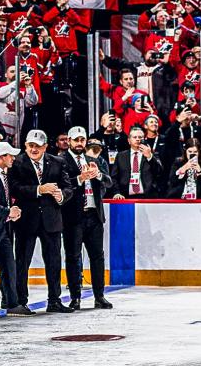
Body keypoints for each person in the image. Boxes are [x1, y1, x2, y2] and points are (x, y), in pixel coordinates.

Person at [9, 129, 75, 313]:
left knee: (54, 261)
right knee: (22, 262)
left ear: (45, 146)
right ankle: (21, 301)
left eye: (37, 146)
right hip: (25, 220)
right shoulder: (17, 162)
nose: (33, 149)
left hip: (51, 219)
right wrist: (39, 189)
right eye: (30, 145)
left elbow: (68, 187)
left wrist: (61, 195)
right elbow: (14, 188)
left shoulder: (58, 162)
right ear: (25, 146)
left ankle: (54, 301)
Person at [60, 126, 113, 310]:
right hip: (73, 217)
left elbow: (109, 182)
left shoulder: (93, 160)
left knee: (97, 257)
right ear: (69, 141)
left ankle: (99, 296)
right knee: (73, 257)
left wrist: (98, 174)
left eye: (82, 140)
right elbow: (62, 186)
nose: (80, 143)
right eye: (76, 140)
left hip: (94, 215)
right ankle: (75, 297)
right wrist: (80, 178)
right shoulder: (61, 161)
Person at [0, 141, 30, 316]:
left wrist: (10, 212)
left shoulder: (5, 175)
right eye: (10, 155)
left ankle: (11, 302)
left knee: (9, 266)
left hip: (4, 229)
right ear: (1, 158)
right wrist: (8, 211)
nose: (13, 158)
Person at [112, 126, 164, 199]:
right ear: (129, 140)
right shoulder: (121, 156)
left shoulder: (151, 153)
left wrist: (149, 156)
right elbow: (114, 177)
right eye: (135, 137)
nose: (138, 139)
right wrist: (117, 192)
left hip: (148, 197)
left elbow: (159, 172)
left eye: (140, 137)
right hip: (125, 197)